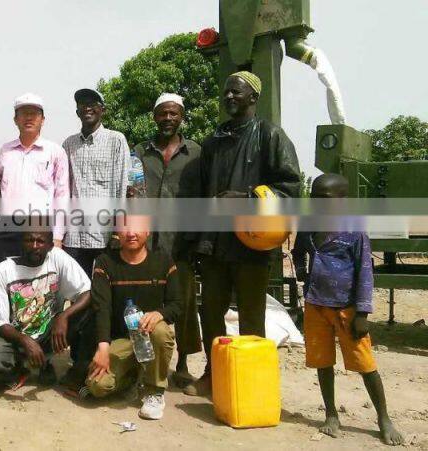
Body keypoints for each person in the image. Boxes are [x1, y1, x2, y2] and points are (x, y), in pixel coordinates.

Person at [186, 71, 301, 396]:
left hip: (252, 243)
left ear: (254, 97)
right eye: (226, 92)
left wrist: (248, 197)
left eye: (236, 92)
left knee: (252, 314)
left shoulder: (270, 136)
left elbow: (291, 189)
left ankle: (251, 380)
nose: (229, 97)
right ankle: (214, 372)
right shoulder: (213, 141)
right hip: (215, 243)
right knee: (210, 311)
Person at [291, 174, 402, 445]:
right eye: (314, 197)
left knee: (365, 364)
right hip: (316, 305)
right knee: (322, 361)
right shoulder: (308, 225)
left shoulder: (354, 231)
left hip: (347, 310)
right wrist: (305, 276)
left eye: (325, 199)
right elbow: (297, 252)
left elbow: (366, 272)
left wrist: (362, 314)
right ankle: (331, 414)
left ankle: (384, 418)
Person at [132, 93, 202, 386]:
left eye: (173, 114)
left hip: (181, 242)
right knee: (145, 300)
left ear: (181, 117)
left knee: (183, 302)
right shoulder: (139, 151)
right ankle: (141, 364)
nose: (168, 119)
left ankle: (183, 364)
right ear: (154, 117)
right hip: (146, 241)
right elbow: (132, 193)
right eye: (162, 114)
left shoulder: (196, 153)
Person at [86, 215, 181, 420]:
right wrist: (103, 346)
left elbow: (177, 305)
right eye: (125, 228)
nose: (131, 233)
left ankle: (155, 391)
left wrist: (160, 314)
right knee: (97, 386)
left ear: (148, 232)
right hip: (121, 339)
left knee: (161, 330)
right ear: (117, 233)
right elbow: (101, 307)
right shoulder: (105, 262)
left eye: (137, 228)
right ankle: (133, 377)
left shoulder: (163, 261)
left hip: (149, 337)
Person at [0, 230, 94, 392]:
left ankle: (69, 368)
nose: (35, 246)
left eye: (40, 241)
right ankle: (21, 367)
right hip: (15, 337)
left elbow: (87, 291)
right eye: (29, 240)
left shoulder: (58, 258)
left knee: (88, 311)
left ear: (51, 246)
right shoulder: (3, 270)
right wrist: (25, 340)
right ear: (21, 243)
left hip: (49, 331)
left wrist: (64, 316)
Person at [0, 93, 69, 264]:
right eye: (23, 113)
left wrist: (57, 236)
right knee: (7, 278)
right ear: (15, 119)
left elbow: (61, 196)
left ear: (43, 119)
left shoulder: (55, 152)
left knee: (40, 283)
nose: (28, 118)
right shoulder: (1, 152)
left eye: (34, 113)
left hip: (40, 230)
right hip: (7, 230)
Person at [62, 88, 130, 277]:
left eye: (92, 104)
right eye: (82, 105)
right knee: (77, 292)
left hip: (104, 236)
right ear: (77, 112)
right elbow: (63, 190)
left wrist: (118, 231)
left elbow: (121, 188)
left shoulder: (115, 140)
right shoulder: (68, 144)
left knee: (105, 292)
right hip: (74, 236)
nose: (87, 108)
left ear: (103, 110)